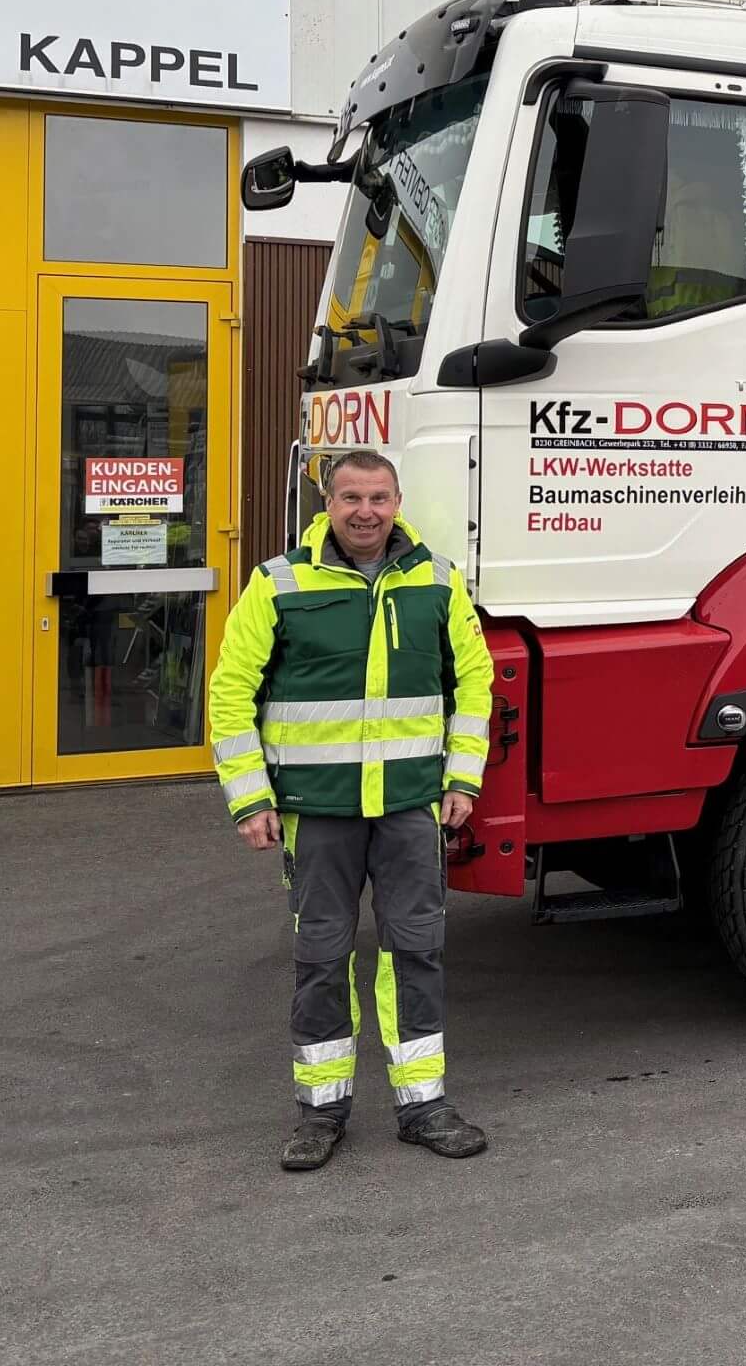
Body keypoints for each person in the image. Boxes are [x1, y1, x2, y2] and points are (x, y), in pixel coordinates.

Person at [208, 449, 495, 1171]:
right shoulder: (278, 583)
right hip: (317, 809)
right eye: (350, 498)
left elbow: (475, 685)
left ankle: (423, 1103)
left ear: (398, 501)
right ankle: (320, 1110)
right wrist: (250, 797)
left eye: (379, 497)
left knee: (415, 954)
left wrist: (462, 781)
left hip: (409, 807)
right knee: (321, 957)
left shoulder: (436, 582)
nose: (365, 511)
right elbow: (230, 693)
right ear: (326, 505)